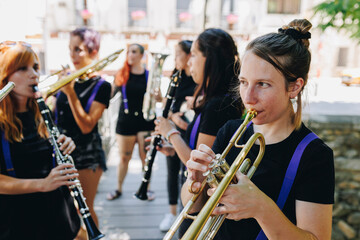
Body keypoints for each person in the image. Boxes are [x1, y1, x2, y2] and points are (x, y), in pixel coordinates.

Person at [182, 19, 334, 240]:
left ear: (294, 87)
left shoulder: (315, 155)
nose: (248, 98)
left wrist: (262, 207)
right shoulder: (229, 131)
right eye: (244, 82)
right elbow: (193, 206)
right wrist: (193, 183)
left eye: (263, 84)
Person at [154, 28, 244, 230]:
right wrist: (173, 148)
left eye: (194, 55)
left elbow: (201, 166)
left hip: (200, 208)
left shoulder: (218, 105)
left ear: (209, 59)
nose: (188, 62)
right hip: (195, 200)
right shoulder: (215, 100)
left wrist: (170, 132)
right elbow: (201, 148)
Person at [0, 41, 80, 240]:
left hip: (57, 214)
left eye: (35, 67)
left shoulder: (41, 112)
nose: (34, 74)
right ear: (5, 76)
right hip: (18, 220)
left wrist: (66, 143)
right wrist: (42, 184)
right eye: (22, 68)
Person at [55, 27, 111, 230]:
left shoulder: (102, 86)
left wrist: (69, 93)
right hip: (61, 151)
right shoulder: (68, 79)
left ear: (93, 51)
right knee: (65, 210)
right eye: (70, 49)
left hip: (87, 154)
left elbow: (87, 125)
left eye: (78, 49)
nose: (72, 55)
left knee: (84, 208)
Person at [107, 43, 155, 201]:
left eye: (134, 52)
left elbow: (158, 98)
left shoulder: (149, 75)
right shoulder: (122, 74)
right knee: (124, 157)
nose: (130, 55)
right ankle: (118, 188)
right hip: (125, 121)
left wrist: (157, 95)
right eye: (128, 52)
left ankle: (146, 189)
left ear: (141, 56)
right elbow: (110, 95)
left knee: (145, 157)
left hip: (145, 121)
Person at [159, 40, 197, 232]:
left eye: (177, 55)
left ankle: (187, 212)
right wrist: (173, 117)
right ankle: (171, 212)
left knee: (189, 172)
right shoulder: (177, 76)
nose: (175, 59)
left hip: (193, 131)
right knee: (172, 169)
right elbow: (168, 105)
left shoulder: (199, 79)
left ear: (189, 55)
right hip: (175, 130)